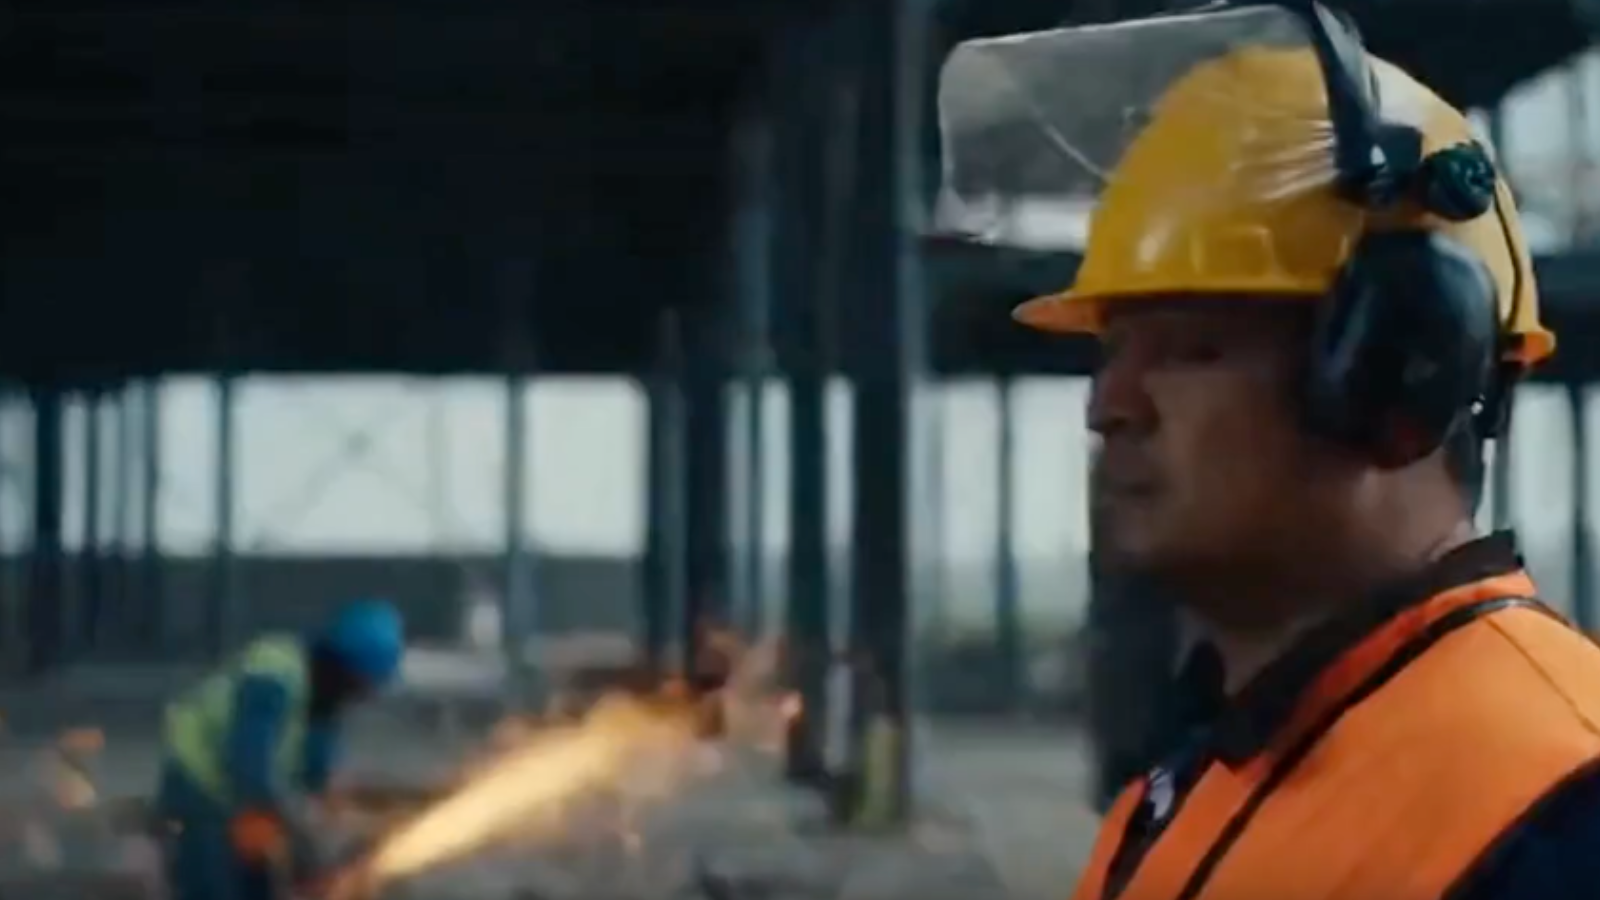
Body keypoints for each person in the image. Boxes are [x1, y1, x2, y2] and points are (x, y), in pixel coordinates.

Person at [934, 3, 1600, 898]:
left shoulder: (1560, 804)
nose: (1109, 406)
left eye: (1190, 349)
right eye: (1112, 351)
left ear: (1393, 371)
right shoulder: (1207, 765)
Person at [156, 599, 406, 900]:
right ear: (346, 668)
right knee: (219, 881)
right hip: (196, 782)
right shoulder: (275, 671)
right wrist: (287, 829)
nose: (363, 697)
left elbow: (315, 764)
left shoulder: (325, 695)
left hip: (238, 790)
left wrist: (329, 799)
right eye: (363, 686)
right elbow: (249, 758)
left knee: (269, 871)